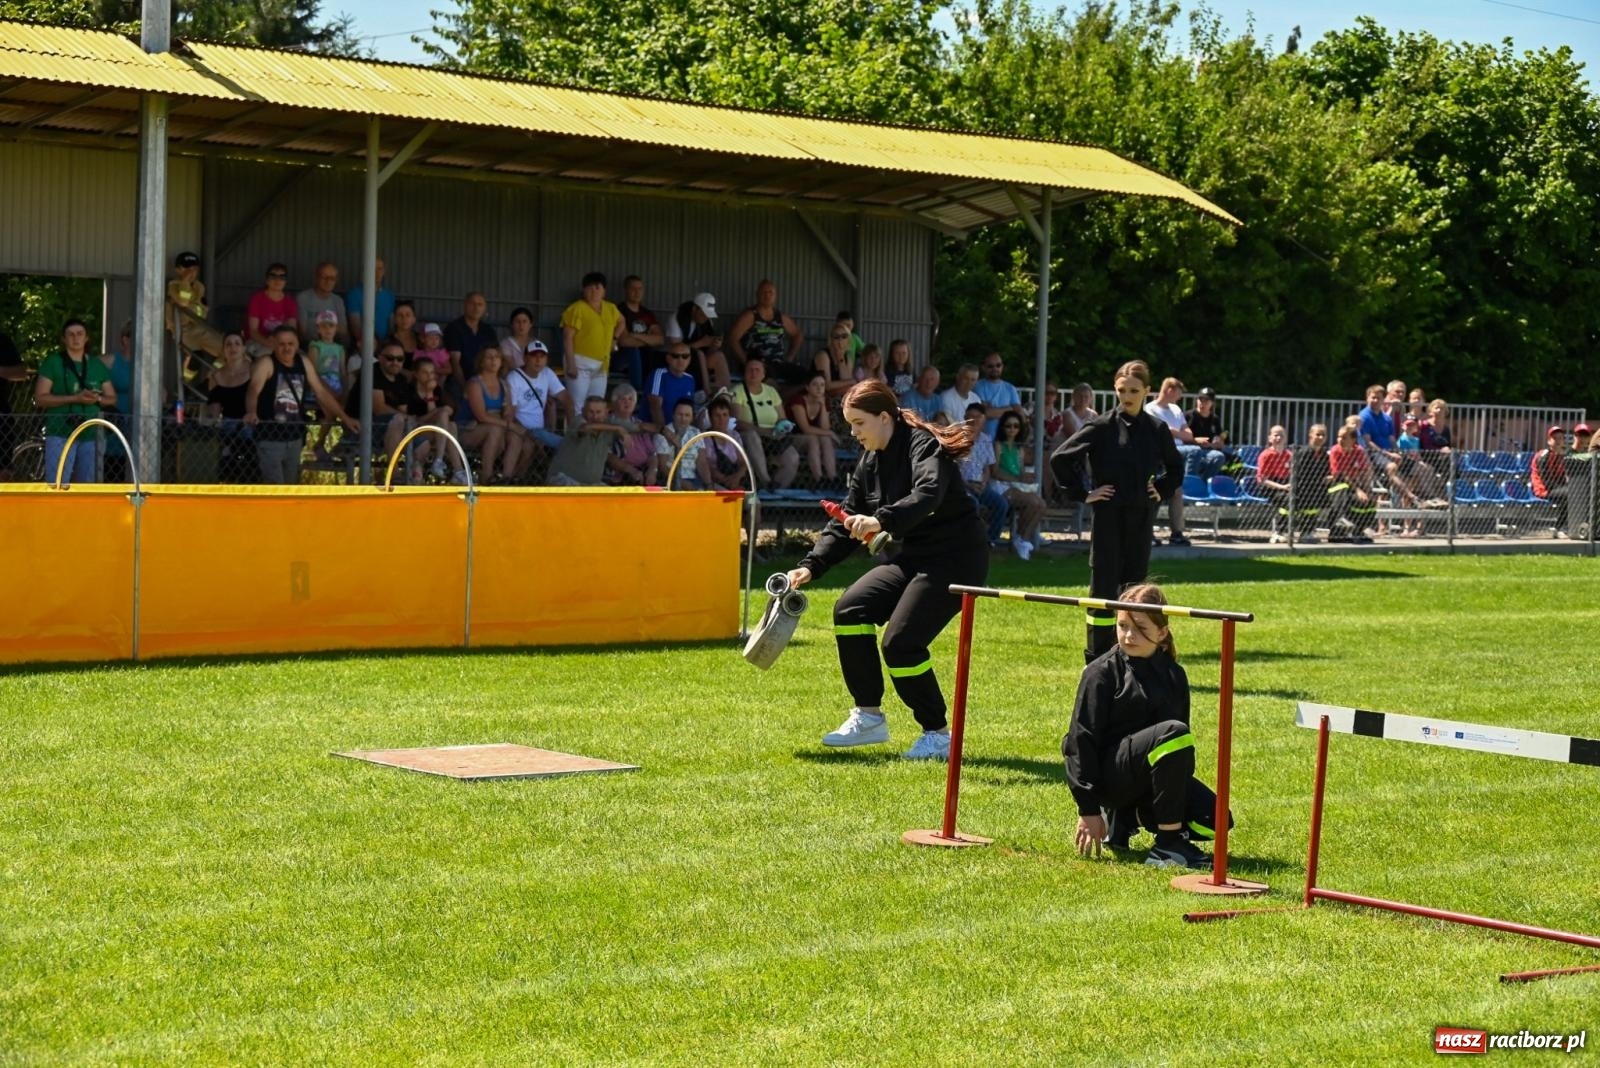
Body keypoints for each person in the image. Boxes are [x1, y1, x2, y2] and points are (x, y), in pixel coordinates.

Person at [784, 380, 990, 761]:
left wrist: (881, 520)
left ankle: (938, 735)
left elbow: (928, 496)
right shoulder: (871, 459)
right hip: (913, 556)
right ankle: (869, 717)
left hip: (956, 559)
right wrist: (809, 567)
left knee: (901, 644)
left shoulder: (923, 445)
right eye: (850, 424)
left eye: (858, 423)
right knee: (850, 609)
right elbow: (846, 519)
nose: (853, 433)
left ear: (884, 417)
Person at [1063, 583, 1218, 869]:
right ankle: (1167, 846)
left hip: (1147, 778)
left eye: (1140, 628)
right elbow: (1079, 743)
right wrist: (1088, 809)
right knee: (1173, 732)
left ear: (1162, 633)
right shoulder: (1100, 673)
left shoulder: (1174, 674)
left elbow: (1178, 754)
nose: (1128, 635)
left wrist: (1171, 793)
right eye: (1123, 626)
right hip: (1108, 778)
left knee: (1216, 820)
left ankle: (1125, 819)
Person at [1050, 360, 1184, 663]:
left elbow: (1176, 469)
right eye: (1122, 390)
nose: (1127, 396)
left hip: (1141, 517)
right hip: (1108, 517)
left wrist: (1160, 489)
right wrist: (1084, 494)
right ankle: (1096, 660)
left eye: (1134, 391)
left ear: (1147, 391)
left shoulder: (1157, 429)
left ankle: (1134, 656)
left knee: (1135, 591)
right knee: (1102, 591)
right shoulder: (1102, 426)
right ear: (1115, 389)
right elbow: (1060, 458)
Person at [243, 325, 356, 484]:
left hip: (294, 437)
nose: (287, 348)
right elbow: (253, 389)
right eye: (282, 344)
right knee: (274, 487)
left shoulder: (303, 362)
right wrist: (251, 411)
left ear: (297, 344)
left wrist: (345, 418)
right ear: (274, 344)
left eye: (291, 344)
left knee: (291, 486)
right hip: (270, 438)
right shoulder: (266, 363)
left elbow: (321, 392)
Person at [34, 318, 114, 486]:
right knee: (57, 486)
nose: (75, 338)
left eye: (79, 334)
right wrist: (74, 398)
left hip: (90, 434)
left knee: (86, 488)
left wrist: (97, 398)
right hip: (60, 432)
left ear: (86, 338)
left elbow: (112, 397)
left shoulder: (96, 365)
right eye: (70, 334)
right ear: (63, 339)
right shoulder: (53, 362)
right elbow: (40, 398)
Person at [730, 356, 799, 490]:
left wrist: (783, 428)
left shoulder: (771, 391)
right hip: (748, 436)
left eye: (757, 370)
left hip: (773, 436)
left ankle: (777, 489)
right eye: (750, 370)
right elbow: (736, 422)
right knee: (751, 436)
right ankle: (766, 480)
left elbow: (782, 418)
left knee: (793, 457)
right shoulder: (737, 391)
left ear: (763, 374)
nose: (753, 373)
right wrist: (763, 431)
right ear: (744, 373)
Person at [399, 357, 467, 485]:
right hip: (413, 430)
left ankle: (451, 467)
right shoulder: (408, 390)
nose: (429, 376)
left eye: (432, 373)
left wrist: (430, 394)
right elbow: (412, 418)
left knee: (451, 425)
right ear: (416, 374)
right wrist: (438, 411)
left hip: (435, 431)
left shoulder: (437, 390)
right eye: (425, 372)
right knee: (447, 421)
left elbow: (445, 413)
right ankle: (449, 466)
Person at [461, 346, 524, 484]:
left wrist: (508, 417)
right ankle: (487, 476)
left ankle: (507, 478)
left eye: (497, 357)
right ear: (481, 362)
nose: (493, 360)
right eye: (489, 357)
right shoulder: (474, 383)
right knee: (496, 430)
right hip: (469, 429)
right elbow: (481, 416)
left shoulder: (504, 385)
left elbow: (507, 412)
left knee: (515, 436)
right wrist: (509, 425)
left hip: (497, 426)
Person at [560, 272, 623, 406]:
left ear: (604, 291)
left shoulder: (611, 308)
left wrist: (615, 338)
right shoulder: (577, 308)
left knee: (596, 405)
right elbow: (567, 337)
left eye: (597, 287)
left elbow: (622, 322)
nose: (594, 291)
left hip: (602, 364)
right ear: (583, 290)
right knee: (577, 405)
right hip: (580, 362)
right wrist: (571, 364)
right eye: (589, 287)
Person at [727, 279, 806, 383]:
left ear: (775, 296)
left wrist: (790, 357)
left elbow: (798, 335)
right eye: (764, 292)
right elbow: (732, 338)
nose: (767, 295)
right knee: (769, 382)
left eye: (770, 293)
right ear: (757, 294)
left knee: (808, 377)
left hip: (778, 365)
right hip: (757, 365)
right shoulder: (750, 316)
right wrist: (746, 361)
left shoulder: (781, 317)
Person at [958, 402, 1012, 551]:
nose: (974, 420)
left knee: (1001, 504)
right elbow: (952, 469)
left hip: (979, 485)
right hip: (962, 486)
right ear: (965, 418)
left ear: (984, 420)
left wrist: (983, 483)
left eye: (977, 417)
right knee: (973, 504)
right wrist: (968, 485)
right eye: (970, 417)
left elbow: (987, 468)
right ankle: (970, 541)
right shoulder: (957, 439)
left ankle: (989, 540)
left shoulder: (986, 439)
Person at [993, 412, 1047, 555]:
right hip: (1001, 485)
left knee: (1041, 504)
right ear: (1002, 427)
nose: (1012, 429)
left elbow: (1021, 471)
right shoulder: (998, 445)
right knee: (1033, 502)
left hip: (1016, 485)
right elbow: (995, 471)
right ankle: (1021, 539)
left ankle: (1023, 538)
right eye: (1008, 426)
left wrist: (1025, 477)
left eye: (1016, 426)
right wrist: (1017, 479)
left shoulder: (1019, 448)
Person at [206, 332, 255, 481]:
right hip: (228, 428)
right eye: (228, 344)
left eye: (237, 344)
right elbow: (214, 406)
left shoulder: (255, 370)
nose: (233, 347)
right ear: (223, 350)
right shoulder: (216, 376)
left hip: (252, 426)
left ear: (244, 348)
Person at [506, 339, 568, 455]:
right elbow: (511, 413)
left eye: (542, 357)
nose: (538, 360)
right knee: (560, 444)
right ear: (525, 358)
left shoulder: (547, 373)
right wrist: (525, 432)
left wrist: (573, 424)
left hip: (541, 431)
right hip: (522, 429)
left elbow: (566, 398)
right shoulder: (513, 377)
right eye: (534, 356)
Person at [663, 292, 730, 393]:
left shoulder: (707, 322)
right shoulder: (676, 319)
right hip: (676, 360)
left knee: (718, 356)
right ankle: (706, 391)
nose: (705, 317)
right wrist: (701, 343)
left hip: (698, 361)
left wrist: (714, 345)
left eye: (708, 315)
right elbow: (675, 350)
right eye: (703, 314)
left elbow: (709, 351)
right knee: (699, 354)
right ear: (694, 309)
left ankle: (725, 393)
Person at [165, 251, 224, 362]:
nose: (191, 272)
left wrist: (192, 308)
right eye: (187, 269)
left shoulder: (199, 287)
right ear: (177, 270)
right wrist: (185, 282)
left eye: (194, 269)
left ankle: (215, 373)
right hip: (182, 330)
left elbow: (203, 312)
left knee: (227, 349)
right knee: (195, 358)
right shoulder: (173, 285)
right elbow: (183, 302)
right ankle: (188, 374)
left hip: (199, 327)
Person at [613, 275, 664, 393]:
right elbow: (624, 341)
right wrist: (649, 339)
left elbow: (660, 339)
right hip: (621, 358)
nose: (637, 292)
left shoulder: (647, 313)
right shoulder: (618, 310)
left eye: (640, 288)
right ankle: (638, 391)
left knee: (659, 355)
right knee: (633, 350)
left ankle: (655, 391)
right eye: (633, 288)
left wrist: (635, 335)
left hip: (645, 357)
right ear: (626, 290)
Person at [789, 371, 841, 486]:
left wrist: (822, 406)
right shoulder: (798, 401)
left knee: (825, 439)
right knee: (813, 438)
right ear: (807, 387)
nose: (819, 388)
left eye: (822, 385)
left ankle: (833, 477)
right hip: (792, 438)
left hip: (813, 439)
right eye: (815, 384)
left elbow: (825, 427)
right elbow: (805, 428)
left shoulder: (823, 401)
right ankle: (819, 478)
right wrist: (830, 433)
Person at [445, 292, 499, 400]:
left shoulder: (488, 331)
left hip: (484, 380)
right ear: (465, 305)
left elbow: (496, 358)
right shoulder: (454, 328)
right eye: (472, 303)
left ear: (484, 308)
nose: (476, 308)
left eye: (480, 304)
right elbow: (455, 362)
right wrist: (466, 387)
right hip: (459, 380)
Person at [1327, 424, 1376, 542]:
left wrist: (1367, 490)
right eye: (1339, 437)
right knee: (1343, 489)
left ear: (1353, 440)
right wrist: (1358, 490)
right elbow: (1340, 474)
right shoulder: (1335, 450)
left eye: (1344, 437)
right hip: (1337, 483)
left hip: (1354, 484)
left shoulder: (1359, 451)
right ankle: (1339, 524)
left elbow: (1364, 471)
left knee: (1369, 500)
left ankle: (1359, 531)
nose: (1340, 440)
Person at [696, 394, 750, 491]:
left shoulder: (734, 435)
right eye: (717, 415)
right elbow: (707, 466)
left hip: (735, 479)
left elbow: (743, 462)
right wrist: (726, 480)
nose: (721, 419)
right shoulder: (703, 437)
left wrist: (736, 477)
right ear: (710, 418)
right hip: (714, 481)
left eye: (725, 415)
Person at [245, 263, 298, 355]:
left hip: (281, 343)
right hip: (258, 341)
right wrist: (268, 342)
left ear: (285, 281)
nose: (277, 280)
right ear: (267, 280)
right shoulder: (257, 299)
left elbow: (292, 330)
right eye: (273, 276)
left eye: (282, 277)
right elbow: (253, 331)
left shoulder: (290, 302)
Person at [1530, 426, 1571, 537]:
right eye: (1555, 438)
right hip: (1543, 490)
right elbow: (1546, 481)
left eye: (1560, 438)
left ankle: (1563, 527)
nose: (1558, 441)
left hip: (1555, 489)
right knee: (1570, 493)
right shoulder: (1543, 456)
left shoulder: (1561, 456)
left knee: (1575, 492)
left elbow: (1562, 478)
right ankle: (1560, 528)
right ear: (1549, 441)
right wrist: (1564, 488)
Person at [344, 256, 394, 348]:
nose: (376, 272)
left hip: (385, 346)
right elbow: (355, 326)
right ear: (365, 271)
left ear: (384, 271)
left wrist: (387, 344)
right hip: (363, 346)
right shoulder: (354, 294)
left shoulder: (389, 295)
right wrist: (370, 345)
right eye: (372, 268)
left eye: (379, 269)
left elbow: (391, 325)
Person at [296, 261, 348, 345]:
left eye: (332, 278)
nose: (328, 281)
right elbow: (302, 332)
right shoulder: (303, 298)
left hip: (332, 345)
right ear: (316, 278)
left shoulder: (338, 301)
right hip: (309, 345)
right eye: (324, 277)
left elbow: (343, 331)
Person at [974, 351, 1023, 439]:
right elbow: (984, 413)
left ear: (1002, 366)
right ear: (983, 367)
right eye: (990, 366)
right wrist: (1009, 409)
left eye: (998, 365)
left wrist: (993, 410)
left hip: (1006, 441)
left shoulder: (1010, 388)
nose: (995, 368)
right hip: (985, 440)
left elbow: (1018, 412)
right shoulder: (978, 386)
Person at [646, 344, 696, 429]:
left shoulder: (690, 379)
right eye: (675, 356)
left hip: (679, 430)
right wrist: (664, 432)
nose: (680, 360)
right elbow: (655, 407)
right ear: (668, 358)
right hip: (655, 430)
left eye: (685, 356)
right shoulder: (659, 374)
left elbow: (689, 409)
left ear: (689, 359)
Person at [812, 323, 857, 397]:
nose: (840, 340)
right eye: (836, 337)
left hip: (838, 395)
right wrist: (851, 381)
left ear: (848, 339)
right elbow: (826, 385)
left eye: (844, 336)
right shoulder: (823, 355)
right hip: (819, 394)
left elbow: (846, 380)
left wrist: (840, 359)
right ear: (831, 340)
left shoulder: (848, 357)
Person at [499, 307, 538, 372]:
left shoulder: (536, 343)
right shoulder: (505, 344)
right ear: (512, 324)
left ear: (530, 324)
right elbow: (510, 365)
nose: (521, 325)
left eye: (524, 321)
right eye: (517, 322)